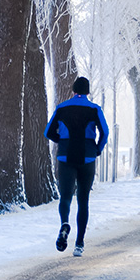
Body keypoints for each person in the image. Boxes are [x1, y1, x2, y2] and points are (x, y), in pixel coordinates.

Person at [44, 76, 109, 257]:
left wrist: (62, 141)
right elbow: (105, 132)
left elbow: (48, 132)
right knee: (83, 199)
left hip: (66, 156)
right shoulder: (94, 109)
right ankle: (79, 244)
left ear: (73, 91)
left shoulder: (62, 108)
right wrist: (97, 149)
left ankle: (65, 223)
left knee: (65, 197)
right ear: (88, 92)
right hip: (87, 156)